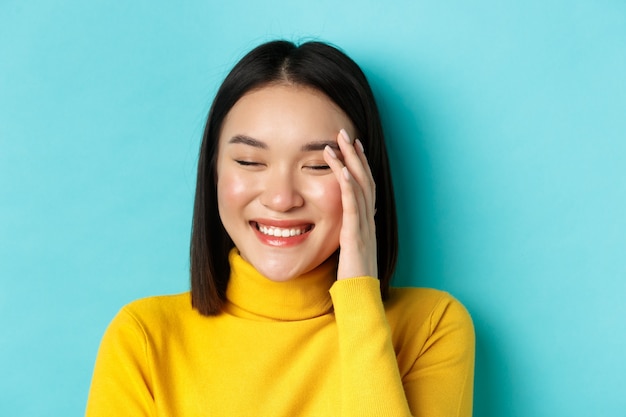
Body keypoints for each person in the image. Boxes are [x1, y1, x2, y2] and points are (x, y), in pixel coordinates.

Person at [85, 40, 475, 417]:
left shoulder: (431, 328)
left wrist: (358, 299)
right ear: (214, 171)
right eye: (251, 162)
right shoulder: (144, 340)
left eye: (319, 165)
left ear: (364, 178)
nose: (281, 198)